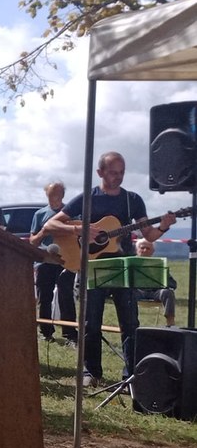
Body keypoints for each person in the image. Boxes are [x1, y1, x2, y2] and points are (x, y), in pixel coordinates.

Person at [47, 153, 176, 385]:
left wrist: (163, 227)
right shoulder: (88, 198)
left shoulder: (132, 200)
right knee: (91, 323)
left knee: (130, 323)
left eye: (122, 172)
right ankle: (91, 372)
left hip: (123, 267)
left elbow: (149, 234)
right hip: (93, 268)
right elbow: (51, 223)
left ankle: (131, 375)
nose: (118, 177)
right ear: (100, 173)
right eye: (113, 172)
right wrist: (79, 230)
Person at [28, 180, 76, 345]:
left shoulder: (71, 213)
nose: (53, 197)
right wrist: (44, 231)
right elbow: (33, 241)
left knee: (66, 297)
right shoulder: (40, 214)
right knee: (44, 297)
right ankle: (46, 332)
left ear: (62, 195)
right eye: (49, 194)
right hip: (45, 261)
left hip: (66, 261)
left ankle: (70, 334)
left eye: (56, 194)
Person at [134, 239, 177, 326]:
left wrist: (162, 282)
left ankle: (170, 322)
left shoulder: (159, 264)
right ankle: (131, 323)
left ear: (153, 251)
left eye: (148, 248)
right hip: (137, 291)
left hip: (155, 292)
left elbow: (173, 284)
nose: (145, 250)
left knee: (167, 292)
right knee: (128, 293)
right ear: (137, 250)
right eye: (142, 248)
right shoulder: (131, 263)